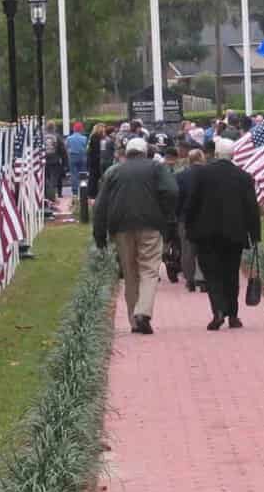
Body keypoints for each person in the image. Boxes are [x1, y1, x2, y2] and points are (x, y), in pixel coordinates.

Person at [93, 137, 178, 335]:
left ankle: (133, 320)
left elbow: (100, 205)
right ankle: (143, 312)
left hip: (121, 226)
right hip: (150, 224)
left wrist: (99, 234)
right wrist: (165, 213)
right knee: (149, 269)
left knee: (130, 272)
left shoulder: (113, 171)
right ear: (145, 152)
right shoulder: (156, 168)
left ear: (127, 153)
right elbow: (172, 191)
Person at [183, 136, 261, 330]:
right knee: (231, 274)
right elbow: (252, 208)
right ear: (233, 155)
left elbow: (192, 202)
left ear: (216, 154)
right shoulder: (243, 177)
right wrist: (255, 234)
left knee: (212, 274)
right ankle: (233, 315)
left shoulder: (202, 175)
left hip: (206, 233)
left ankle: (218, 310)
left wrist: (188, 225)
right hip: (234, 233)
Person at [176, 148, 207, 292]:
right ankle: (202, 277)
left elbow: (177, 198)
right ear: (202, 159)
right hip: (205, 217)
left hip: (185, 217)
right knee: (204, 248)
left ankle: (190, 279)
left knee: (187, 250)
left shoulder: (181, 176)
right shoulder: (210, 174)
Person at [43, 121, 67, 202]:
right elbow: (63, 150)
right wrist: (65, 162)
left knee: (46, 179)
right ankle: (56, 195)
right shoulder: (57, 136)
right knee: (55, 178)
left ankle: (47, 195)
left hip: (45, 161)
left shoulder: (43, 136)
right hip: (55, 160)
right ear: (54, 127)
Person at [67, 122, 88, 193]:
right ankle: (83, 189)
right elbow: (86, 148)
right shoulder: (84, 138)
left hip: (72, 156)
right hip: (82, 156)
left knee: (73, 174)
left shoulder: (69, 138)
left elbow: (67, 147)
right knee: (82, 174)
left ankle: (75, 191)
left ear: (74, 129)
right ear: (81, 129)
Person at [86, 122, 106, 199]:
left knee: (93, 177)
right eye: (103, 128)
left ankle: (91, 193)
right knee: (95, 177)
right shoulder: (97, 138)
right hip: (96, 160)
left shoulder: (92, 137)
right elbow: (98, 150)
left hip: (92, 159)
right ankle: (93, 193)